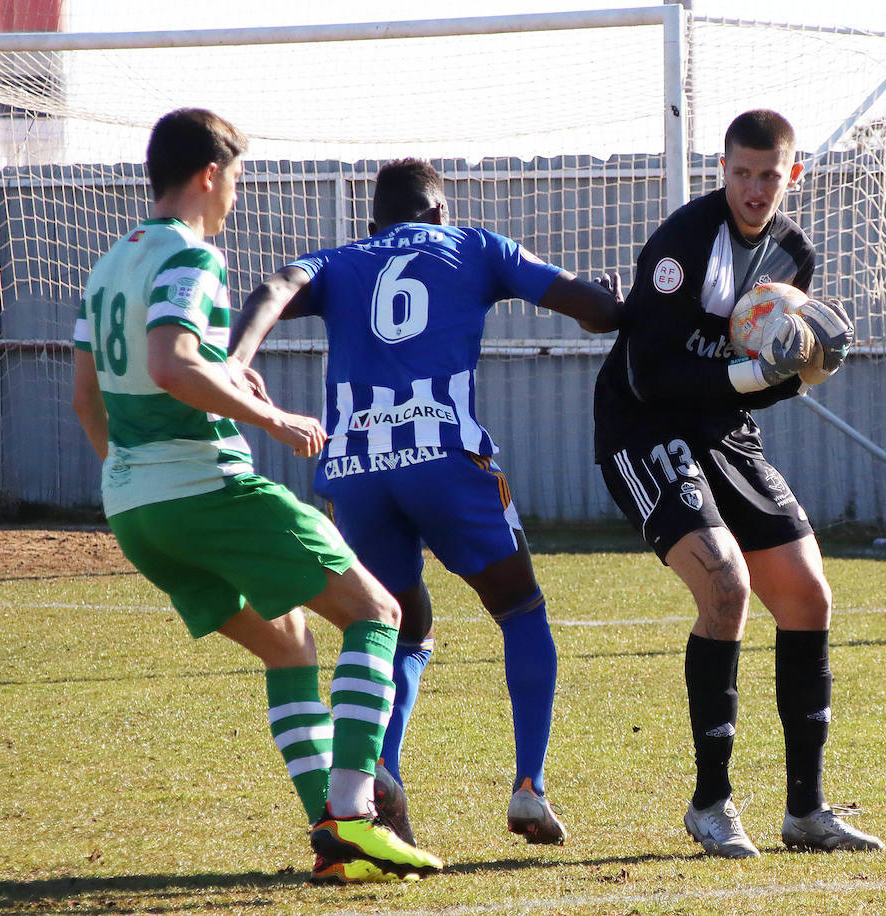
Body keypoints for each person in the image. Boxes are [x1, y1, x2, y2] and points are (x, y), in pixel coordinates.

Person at [70, 108, 443, 884]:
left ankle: (332, 846)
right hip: (205, 488)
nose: (238, 191)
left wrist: (138, 472)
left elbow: (87, 399)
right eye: (236, 175)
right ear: (210, 173)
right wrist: (273, 417)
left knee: (288, 644)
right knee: (379, 613)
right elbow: (172, 364)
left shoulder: (111, 264)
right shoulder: (193, 257)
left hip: (134, 509)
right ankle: (355, 818)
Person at [228, 158, 620, 847]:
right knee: (521, 609)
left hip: (354, 466)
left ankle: (381, 762)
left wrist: (237, 358)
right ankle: (529, 786)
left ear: (373, 224)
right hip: (442, 457)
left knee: (398, 629)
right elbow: (589, 309)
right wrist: (614, 301)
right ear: (440, 212)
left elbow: (273, 285)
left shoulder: (341, 259)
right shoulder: (473, 244)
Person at [591, 109, 881, 857]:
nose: (755, 189)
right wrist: (758, 371)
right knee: (725, 586)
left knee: (808, 595)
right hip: (643, 427)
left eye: (770, 174)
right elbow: (649, 375)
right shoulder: (683, 244)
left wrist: (804, 367)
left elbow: (773, 380)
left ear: (795, 173)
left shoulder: (793, 255)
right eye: (742, 173)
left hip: (724, 430)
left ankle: (806, 812)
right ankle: (712, 803)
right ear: (723, 169)